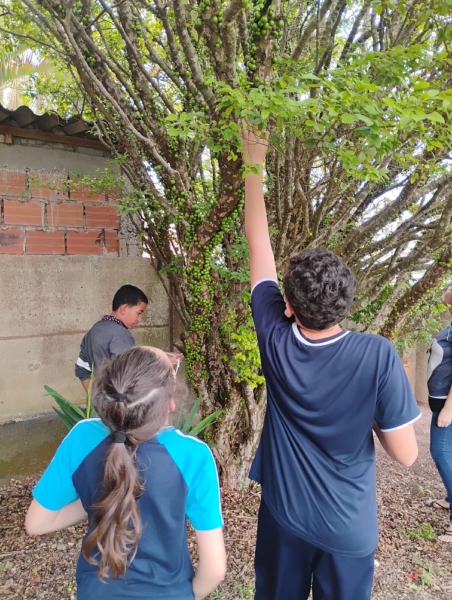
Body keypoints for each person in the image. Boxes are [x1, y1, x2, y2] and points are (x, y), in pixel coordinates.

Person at [242, 128, 420, 600]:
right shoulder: (377, 355)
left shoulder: (275, 338)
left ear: (287, 305)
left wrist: (253, 162)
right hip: (348, 530)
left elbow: (258, 245)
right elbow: (406, 455)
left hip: (283, 518)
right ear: (346, 303)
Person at [25, 345, 226, 599]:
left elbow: (37, 523)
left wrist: (100, 499)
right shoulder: (193, 455)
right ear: (170, 402)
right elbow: (215, 569)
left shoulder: (83, 436)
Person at [75, 284, 148, 391]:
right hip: (121, 400)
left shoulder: (94, 329)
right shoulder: (121, 335)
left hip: (103, 398)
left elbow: (81, 368)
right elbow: (129, 376)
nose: (139, 319)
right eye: (139, 313)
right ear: (124, 308)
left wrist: (95, 398)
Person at [426, 287, 452, 542]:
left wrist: (449, 409)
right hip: (442, 404)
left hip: (448, 406)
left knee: (441, 452)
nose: (447, 288)